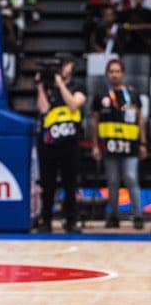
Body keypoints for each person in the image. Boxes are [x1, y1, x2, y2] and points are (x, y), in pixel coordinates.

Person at [91, 58, 146, 229]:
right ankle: (113, 215)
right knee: (113, 181)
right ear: (107, 74)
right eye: (111, 71)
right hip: (109, 146)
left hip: (130, 146)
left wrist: (143, 143)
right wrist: (94, 145)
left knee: (131, 178)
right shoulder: (101, 96)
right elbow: (95, 122)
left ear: (123, 73)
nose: (114, 74)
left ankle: (138, 216)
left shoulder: (133, 94)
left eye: (117, 71)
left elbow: (140, 120)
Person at [36, 57, 86, 233]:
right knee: (47, 184)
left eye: (64, 64)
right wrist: (41, 87)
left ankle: (71, 221)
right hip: (49, 143)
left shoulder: (78, 86)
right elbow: (43, 109)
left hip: (70, 143)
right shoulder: (48, 87)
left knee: (69, 184)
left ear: (70, 67)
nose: (61, 68)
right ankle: (46, 220)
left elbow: (73, 104)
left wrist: (60, 84)